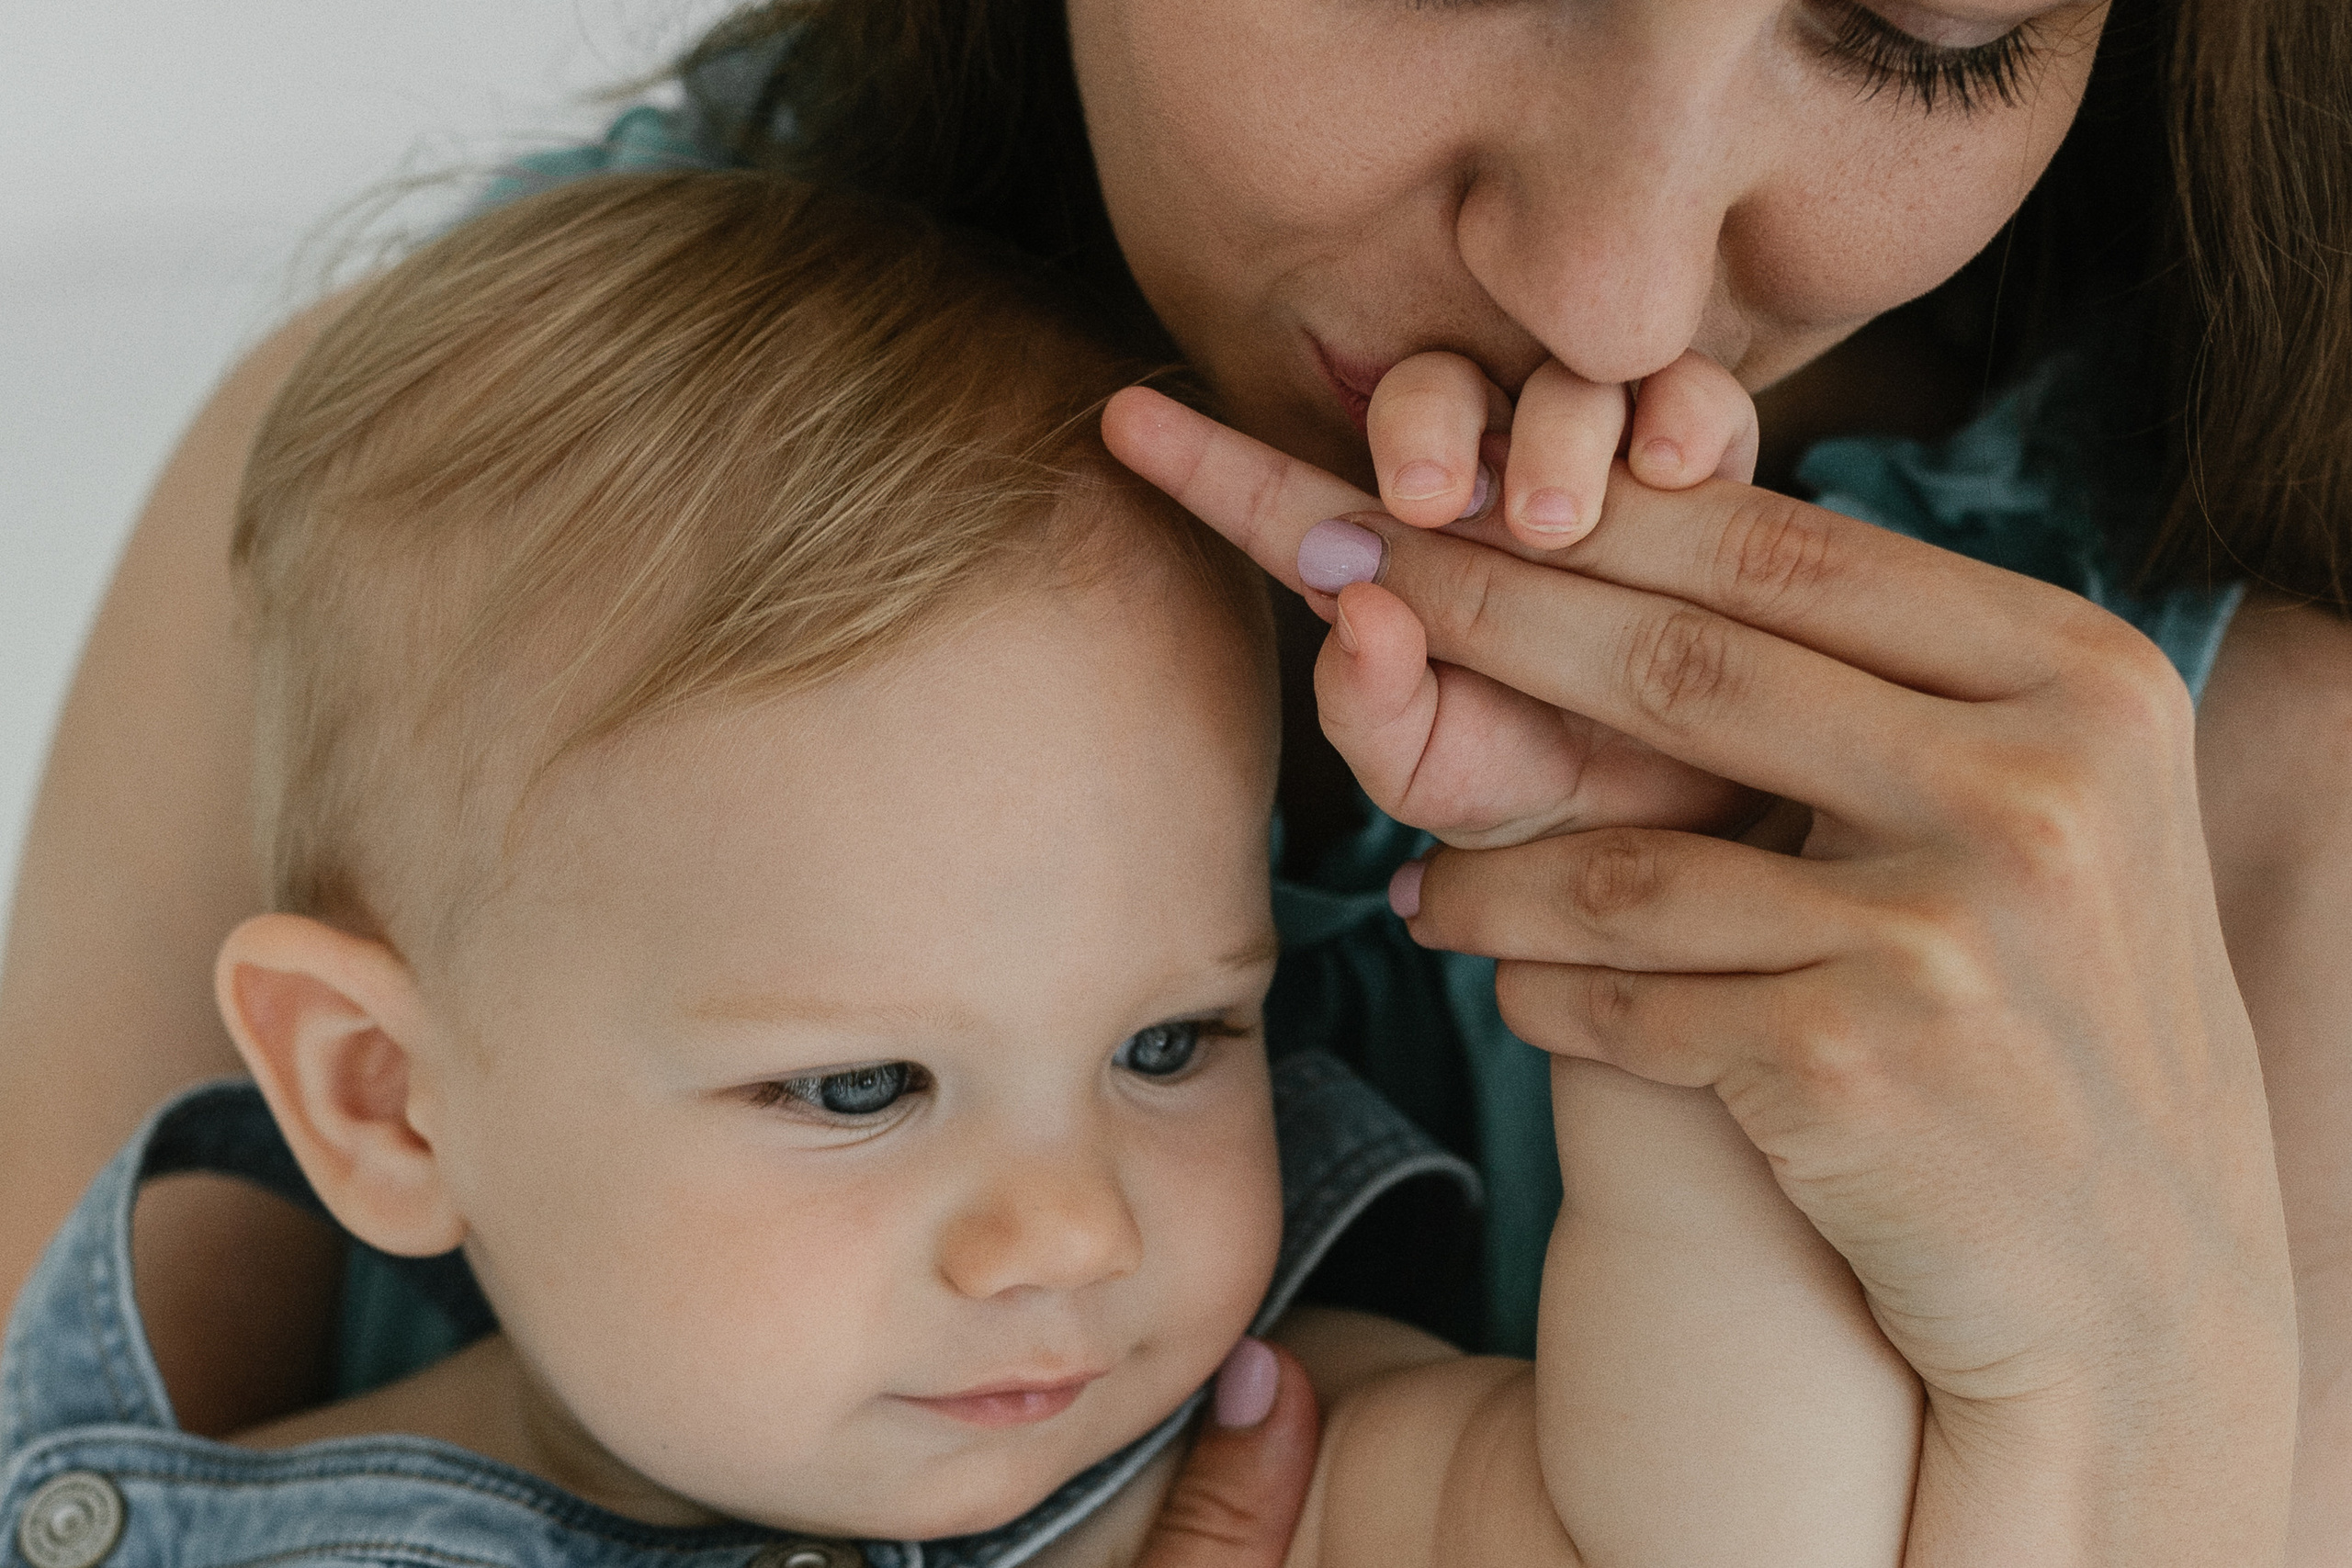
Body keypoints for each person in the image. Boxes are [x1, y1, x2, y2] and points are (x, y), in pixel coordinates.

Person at [3, 0, 2346, 1560]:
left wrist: (1642, 883)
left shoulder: (1199, 1438)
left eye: (1914, 23)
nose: (1615, 303)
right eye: (845, 1083)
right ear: (384, 1095)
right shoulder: (432, 525)